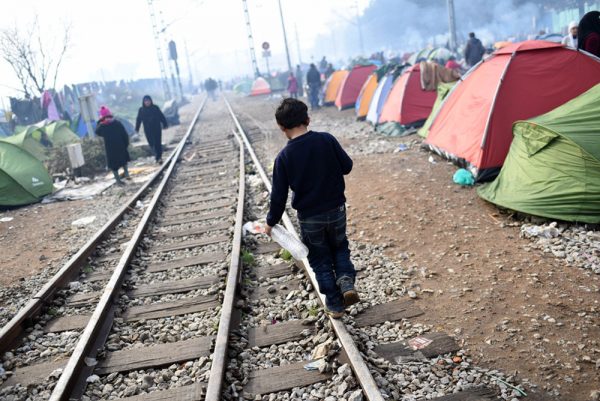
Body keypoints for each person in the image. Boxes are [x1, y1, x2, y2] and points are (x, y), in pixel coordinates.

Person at [265, 98, 358, 318]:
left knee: (319, 258)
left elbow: (279, 196)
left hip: (310, 217)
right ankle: (345, 280)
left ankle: (335, 305)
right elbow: (347, 166)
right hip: (336, 209)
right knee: (340, 247)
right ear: (307, 119)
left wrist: (271, 222)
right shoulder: (326, 140)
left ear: (282, 128)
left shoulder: (284, 157)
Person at [96, 106, 130, 185]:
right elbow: (97, 132)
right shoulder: (103, 126)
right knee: (114, 165)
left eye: (108, 117)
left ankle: (126, 173)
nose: (107, 119)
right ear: (103, 118)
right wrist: (101, 122)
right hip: (110, 149)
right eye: (105, 118)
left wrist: (126, 143)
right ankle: (118, 180)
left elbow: (124, 134)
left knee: (124, 161)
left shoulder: (117, 123)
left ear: (111, 116)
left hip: (120, 145)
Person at [135, 95, 167, 164]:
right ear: (143, 102)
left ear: (151, 101)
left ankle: (159, 157)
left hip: (157, 128)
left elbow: (161, 116)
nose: (147, 102)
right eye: (145, 101)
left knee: (157, 143)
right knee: (151, 143)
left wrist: (165, 124)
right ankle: (157, 156)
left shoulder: (155, 108)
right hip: (148, 130)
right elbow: (138, 119)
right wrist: (137, 128)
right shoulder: (141, 110)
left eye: (148, 101)